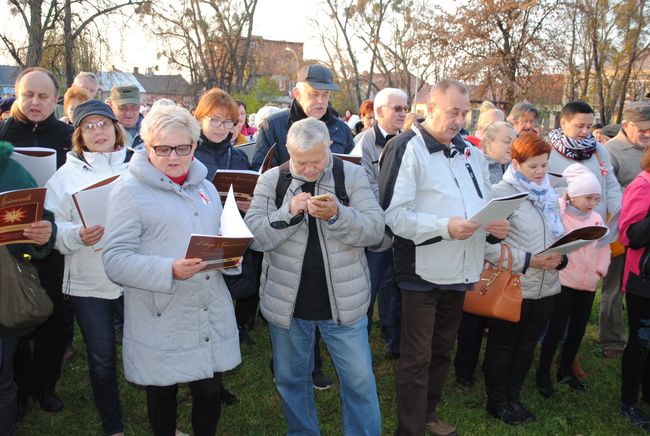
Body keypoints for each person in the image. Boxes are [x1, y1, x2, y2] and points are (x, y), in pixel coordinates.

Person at [378, 79, 509, 436]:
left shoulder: (470, 151)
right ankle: (410, 429)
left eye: (465, 112)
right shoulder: (406, 147)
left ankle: (428, 415)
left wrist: (492, 223)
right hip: (421, 271)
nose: (460, 120)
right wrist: (445, 227)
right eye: (454, 111)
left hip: (463, 268)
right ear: (430, 108)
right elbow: (393, 215)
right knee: (416, 357)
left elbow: (481, 202)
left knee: (441, 350)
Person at [102, 105, 241, 436]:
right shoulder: (129, 191)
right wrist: (169, 270)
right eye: (162, 148)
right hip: (162, 311)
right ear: (146, 146)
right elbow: (115, 259)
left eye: (182, 148)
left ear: (195, 146)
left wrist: (230, 255)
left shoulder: (206, 187)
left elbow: (218, 236)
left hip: (207, 307)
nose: (173, 157)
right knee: (162, 392)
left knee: (208, 392)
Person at [244, 117, 384, 435]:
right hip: (288, 307)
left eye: (316, 160)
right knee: (291, 381)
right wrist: (288, 213)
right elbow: (253, 238)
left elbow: (376, 230)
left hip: (344, 307)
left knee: (360, 382)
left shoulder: (351, 175)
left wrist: (339, 214)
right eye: (300, 161)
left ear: (330, 147)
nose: (308, 169)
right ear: (288, 152)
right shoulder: (271, 180)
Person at [44, 100, 128, 435]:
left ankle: (159, 414)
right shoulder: (64, 176)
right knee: (103, 357)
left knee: (146, 348)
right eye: (89, 126)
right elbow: (53, 228)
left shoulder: (139, 164)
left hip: (134, 274)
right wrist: (77, 234)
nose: (98, 131)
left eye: (103, 124)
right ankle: (113, 425)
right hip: (88, 280)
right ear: (79, 135)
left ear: (114, 127)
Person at [0, 67, 73, 414]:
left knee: (54, 316)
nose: (34, 102)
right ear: (17, 92)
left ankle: (46, 385)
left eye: (43, 96)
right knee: (10, 316)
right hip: (8, 244)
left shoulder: (67, 136)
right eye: (28, 94)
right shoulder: (2, 132)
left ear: (56, 100)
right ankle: (16, 386)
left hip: (51, 239)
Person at [483, 134, 567, 426]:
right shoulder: (501, 194)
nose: (541, 172)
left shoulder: (547, 193)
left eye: (544, 165)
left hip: (547, 285)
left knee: (527, 345)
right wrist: (530, 261)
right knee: (504, 344)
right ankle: (496, 401)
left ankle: (513, 396)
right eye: (534, 166)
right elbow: (487, 246)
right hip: (515, 284)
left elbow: (557, 234)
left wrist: (563, 255)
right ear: (516, 162)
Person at [547, 101, 623, 357]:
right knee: (559, 298)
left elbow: (610, 186)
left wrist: (619, 212)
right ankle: (546, 348)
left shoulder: (599, 150)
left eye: (589, 126)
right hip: (561, 233)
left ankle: (569, 356)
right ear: (564, 122)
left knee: (580, 298)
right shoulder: (548, 150)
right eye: (580, 126)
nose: (585, 131)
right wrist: (571, 195)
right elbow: (541, 188)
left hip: (591, 235)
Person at [537, 163, 610, 397]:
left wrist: (601, 269)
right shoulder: (560, 214)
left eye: (596, 198)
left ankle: (566, 369)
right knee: (556, 329)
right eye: (588, 197)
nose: (592, 203)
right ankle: (543, 371)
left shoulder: (597, 219)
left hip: (587, 284)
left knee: (578, 329)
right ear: (574, 195)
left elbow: (602, 246)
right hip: (564, 281)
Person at [454, 121, 516, 387]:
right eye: (505, 140)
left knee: (495, 304)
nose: (511, 146)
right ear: (488, 142)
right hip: (477, 247)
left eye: (514, 140)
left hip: (504, 246)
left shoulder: (513, 169)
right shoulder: (475, 166)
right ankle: (464, 368)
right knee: (474, 310)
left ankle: (488, 361)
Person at [0, 140, 55, 436]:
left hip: (2, 292)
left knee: (2, 380)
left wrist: (43, 233)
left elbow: (42, 220)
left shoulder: (11, 170)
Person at [356, 87, 408, 358]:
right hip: (376, 234)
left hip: (401, 233)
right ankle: (359, 343)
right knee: (368, 290)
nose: (403, 113)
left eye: (405, 108)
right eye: (397, 108)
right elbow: (365, 190)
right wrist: (395, 215)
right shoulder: (364, 143)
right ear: (379, 112)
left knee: (395, 290)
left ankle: (392, 339)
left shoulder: (410, 142)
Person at [250, 64, 354, 170]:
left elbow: (353, 172)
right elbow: (260, 174)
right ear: (297, 94)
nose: (320, 101)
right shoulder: (272, 126)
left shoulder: (342, 130)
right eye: (314, 94)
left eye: (325, 95)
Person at [618, 145, 650, 432]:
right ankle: (628, 401)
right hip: (644, 281)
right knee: (642, 343)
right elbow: (629, 235)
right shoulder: (642, 185)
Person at [109, 85, 143, 150]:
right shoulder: (105, 133)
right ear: (111, 105)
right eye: (123, 107)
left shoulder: (151, 130)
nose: (129, 113)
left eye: (134, 107)